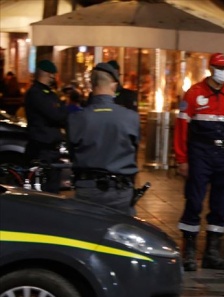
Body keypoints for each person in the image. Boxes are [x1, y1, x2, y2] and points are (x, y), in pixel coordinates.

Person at [174, 52, 224, 272]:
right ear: (211, 68)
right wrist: (182, 159)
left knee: (221, 204)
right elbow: (181, 128)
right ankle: (188, 252)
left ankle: (212, 253)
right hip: (199, 153)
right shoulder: (194, 93)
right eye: (219, 68)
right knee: (194, 201)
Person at [67, 63, 140, 215]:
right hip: (120, 190)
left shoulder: (77, 118)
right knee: (120, 235)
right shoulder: (131, 118)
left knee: (86, 234)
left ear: (92, 85)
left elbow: (72, 152)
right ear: (114, 85)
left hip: (87, 188)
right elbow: (134, 150)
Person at [24, 60, 68, 193]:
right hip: (41, 149)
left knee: (53, 187)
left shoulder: (48, 93)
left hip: (50, 149)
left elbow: (61, 113)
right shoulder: (36, 93)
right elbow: (56, 115)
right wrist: (61, 113)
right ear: (46, 74)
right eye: (52, 74)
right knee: (45, 191)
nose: (53, 78)